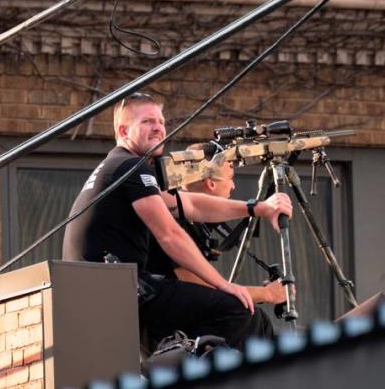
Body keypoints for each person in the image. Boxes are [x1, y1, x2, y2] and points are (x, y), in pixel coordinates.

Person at [62, 93, 292, 350]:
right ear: (124, 130)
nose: (159, 128)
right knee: (235, 310)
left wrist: (256, 208)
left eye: (161, 121)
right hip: (118, 290)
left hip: (109, 288)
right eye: (148, 121)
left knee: (230, 313)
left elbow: (189, 204)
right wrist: (223, 285)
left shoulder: (121, 167)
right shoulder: (129, 167)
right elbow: (170, 235)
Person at [145, 140, 287, 339]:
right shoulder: (175, 220)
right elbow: (201, 288)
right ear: (211, 183)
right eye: (231, 177)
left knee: (254, 318)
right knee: (244, 315)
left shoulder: (193, 222)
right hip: (164, 325)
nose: (233, 185)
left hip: (172, 319)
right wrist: (268, 294)